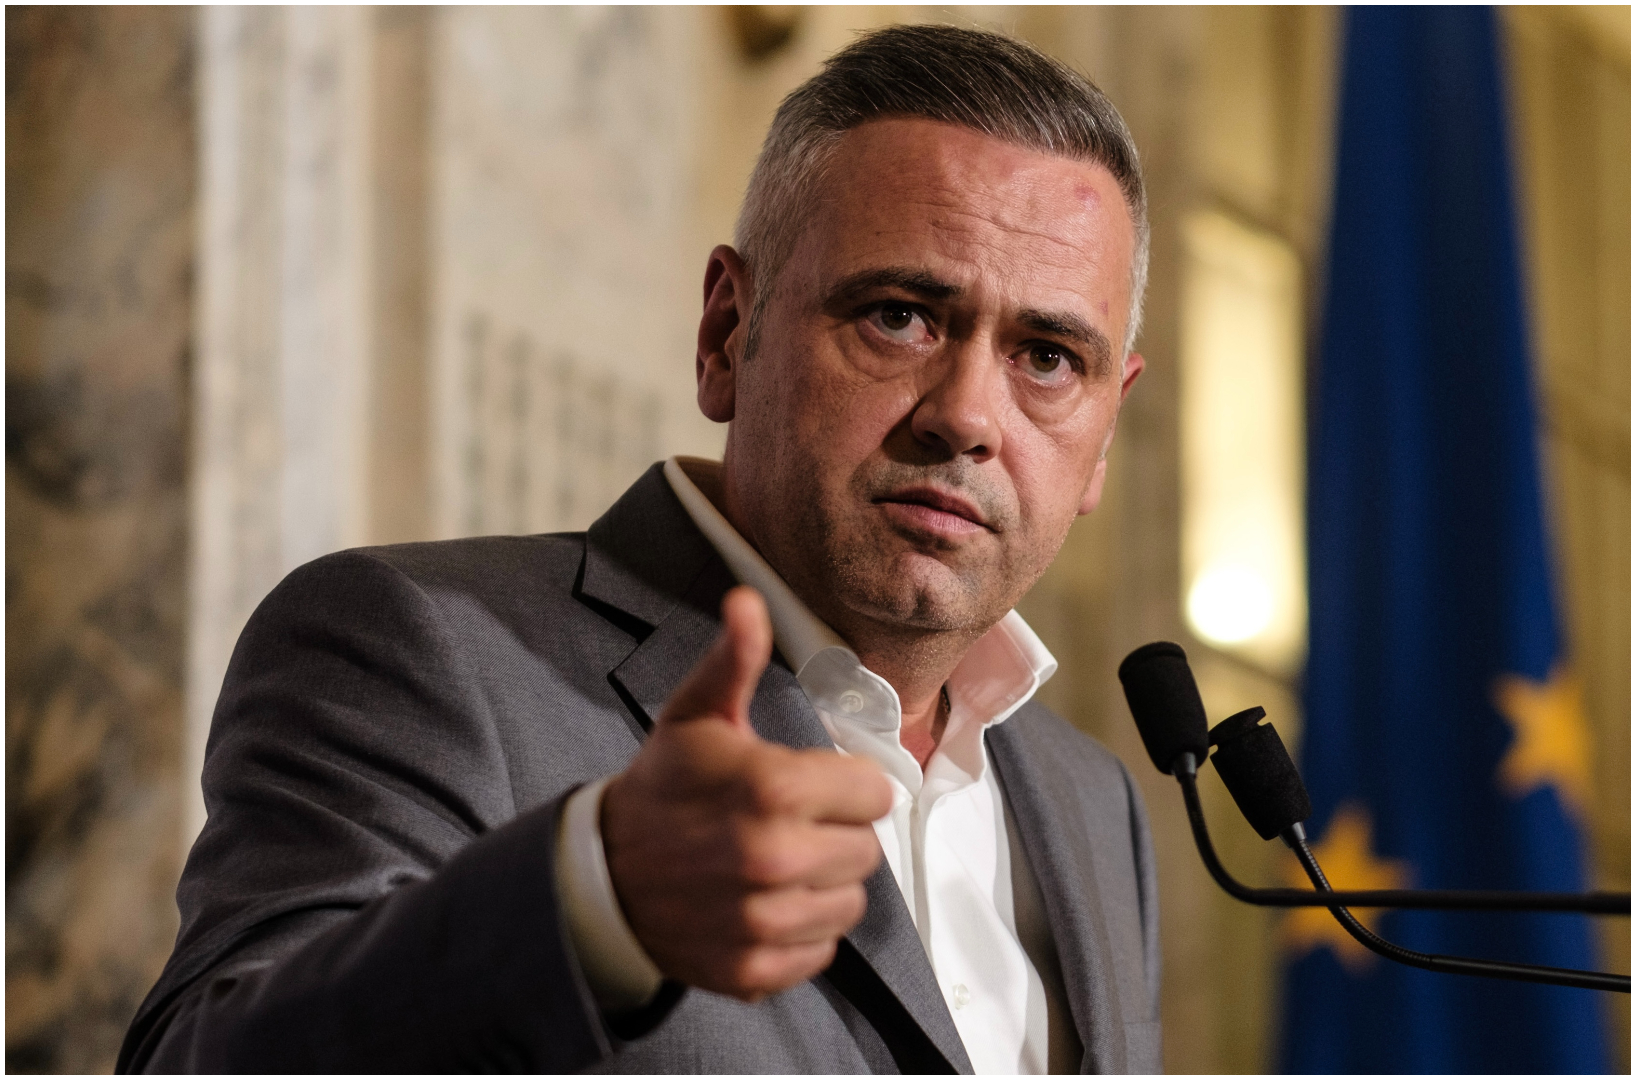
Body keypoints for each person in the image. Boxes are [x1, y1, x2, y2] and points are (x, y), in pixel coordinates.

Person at [120, 23, 1159, 1074]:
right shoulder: (417, 649)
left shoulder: (1092, 802)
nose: (967, 416)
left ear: (1108, 428)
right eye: (899, 316)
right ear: (725, 334)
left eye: (1047, 357)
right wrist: (594, 902)